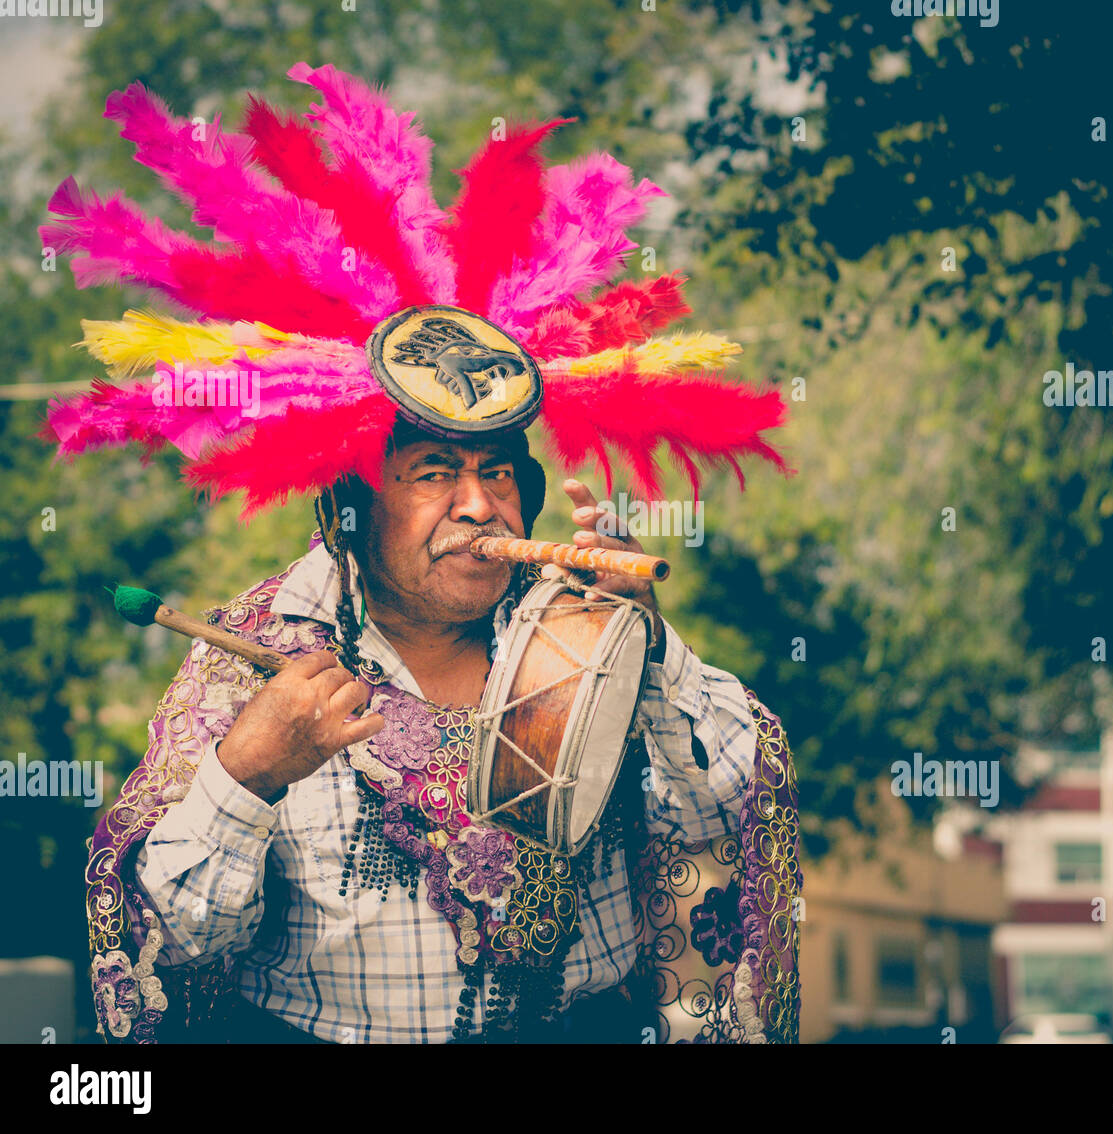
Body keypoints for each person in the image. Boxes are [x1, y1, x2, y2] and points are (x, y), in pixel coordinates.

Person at [51, 62, 802, 1043]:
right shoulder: (251, 648)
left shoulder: (585, 628)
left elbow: (736, 806)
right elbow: (166, 941)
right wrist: (246, 776)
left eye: (498, 474)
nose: (477, 504)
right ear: (352, 505)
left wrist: (648, 654)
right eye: (431, 472)